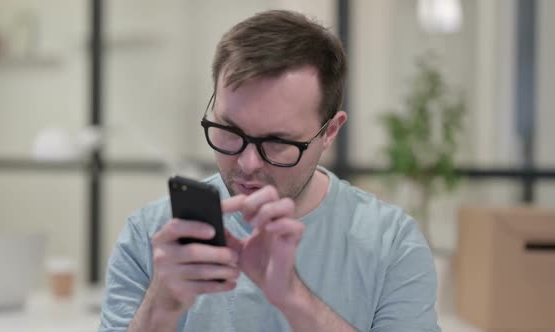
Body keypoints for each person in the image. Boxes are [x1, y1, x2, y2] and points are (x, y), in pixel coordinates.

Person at [99, 9, 440, 332]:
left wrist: (295, 299)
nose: (247, 164)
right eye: (230, 131)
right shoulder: (152, 237)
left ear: (330, 132)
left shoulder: (391, 245)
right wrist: (159, 309)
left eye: (278, 142)